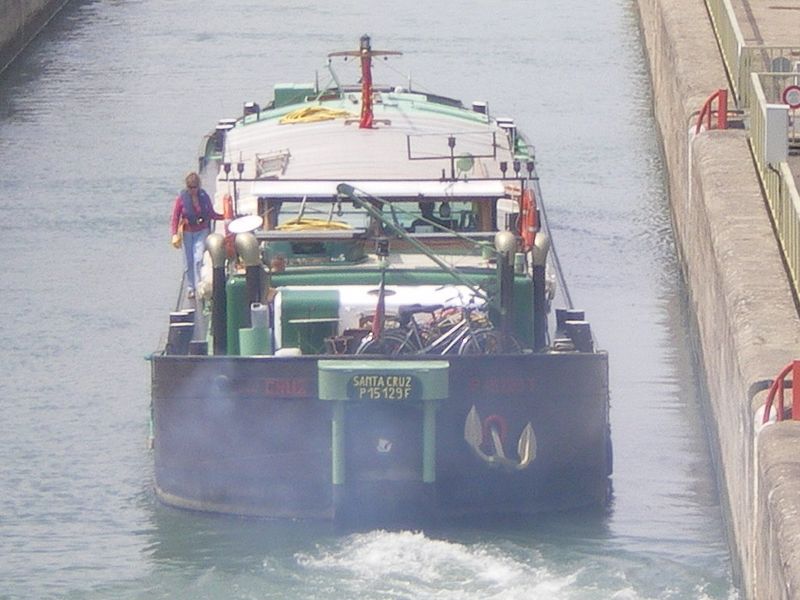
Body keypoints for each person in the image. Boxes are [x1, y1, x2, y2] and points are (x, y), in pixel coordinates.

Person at [170, 172, 224, 299]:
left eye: (194, 187)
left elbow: (211, 213)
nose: (192, 190)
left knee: (198, 258)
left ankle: (199, 285)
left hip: (202, 230)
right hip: (187, 232)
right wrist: (174, 234)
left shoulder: (204, 196)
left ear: (198, 186)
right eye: (190, 187)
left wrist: (224, 216)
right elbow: (175, 217)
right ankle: (190, 287)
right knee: (188, 260)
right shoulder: (181, 199)